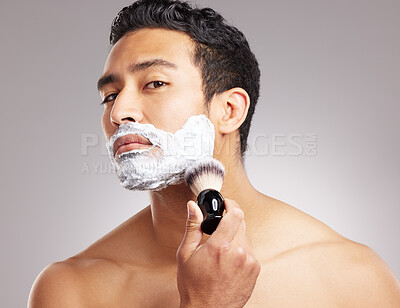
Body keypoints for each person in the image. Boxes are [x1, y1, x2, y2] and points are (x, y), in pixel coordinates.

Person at [28, 0, 400, 307]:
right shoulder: (71, 290)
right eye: (110, 94)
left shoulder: (352, 279)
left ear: (229, 111)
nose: (118, 112)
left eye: (154, 83)